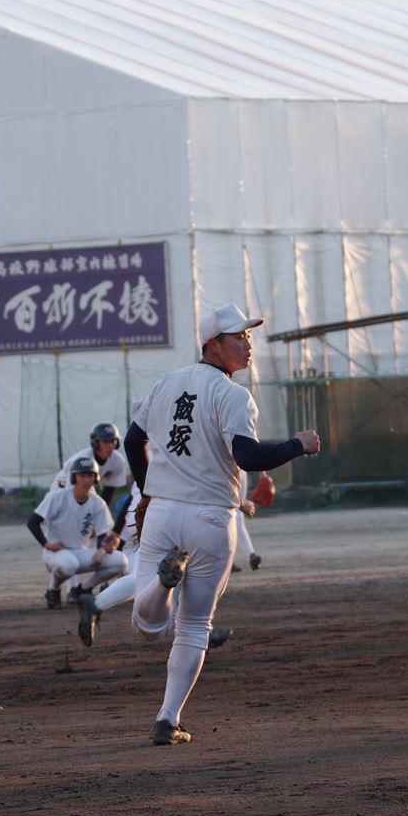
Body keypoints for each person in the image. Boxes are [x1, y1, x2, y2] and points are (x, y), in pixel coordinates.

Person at [120, 301, 320, 746]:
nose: (248, 345)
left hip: (165, 510)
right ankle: (167, 719)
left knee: (146, 625)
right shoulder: (232, 395)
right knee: (192, 628)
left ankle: (161, 584)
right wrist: (298, 444)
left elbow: (134, 440)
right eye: (238, 337)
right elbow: (248, 457)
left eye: (248, 336)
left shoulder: (166, 384)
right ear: (212, 346)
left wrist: (147, 490)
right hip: (211, 517)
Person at [29, 455, 128, 609]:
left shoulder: (98, 503)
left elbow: (103, 534)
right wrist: (47, 544)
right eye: (82, 475)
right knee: (69, 565)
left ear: (95, 479)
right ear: (74, 477)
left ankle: (82, 589)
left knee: (120, 561)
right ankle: (52, 590)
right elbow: (33, 522)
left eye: (90, 475)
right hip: (56, 553)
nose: (86, 480)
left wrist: (102, 550)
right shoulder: (57, 497)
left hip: (80, 553)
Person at [50, 421, 133, 500]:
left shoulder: (118, 461)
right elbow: (73, 490)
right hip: (61, 490)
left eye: (113, 440)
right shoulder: (81, 459)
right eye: (105, 441)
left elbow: (109, 490)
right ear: (95, 443)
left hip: (84, 488)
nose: (110, 445)